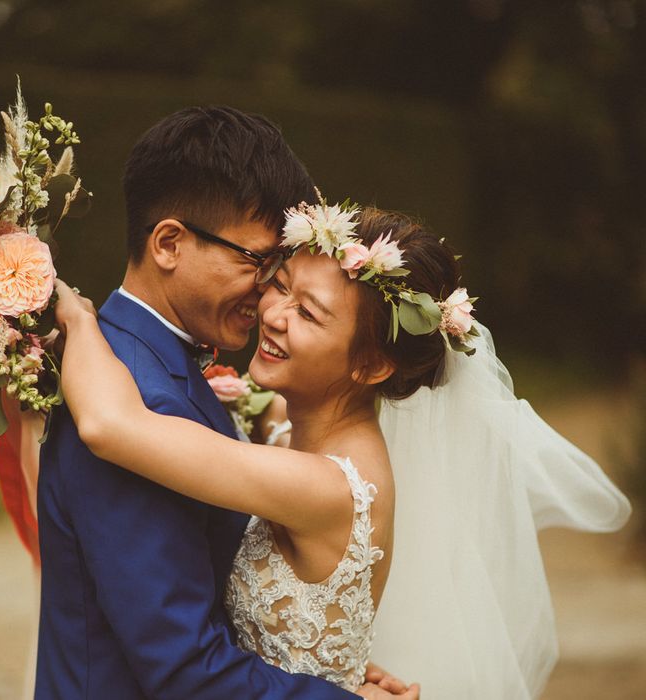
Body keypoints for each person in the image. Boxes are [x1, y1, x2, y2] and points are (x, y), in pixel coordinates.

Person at [54, 199, 632, 698]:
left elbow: (111, 426)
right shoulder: (289, 424)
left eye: (308, 313)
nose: (273, 315)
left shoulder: (328, 487)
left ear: (371, 363)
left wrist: (79, 325)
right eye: (280, 285)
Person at [35, 108, 417, 700]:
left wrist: (321, 666)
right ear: (169, 243)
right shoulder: (134, 391)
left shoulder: (139, 367)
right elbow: (183, 665)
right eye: (260, 262)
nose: (268, 295)